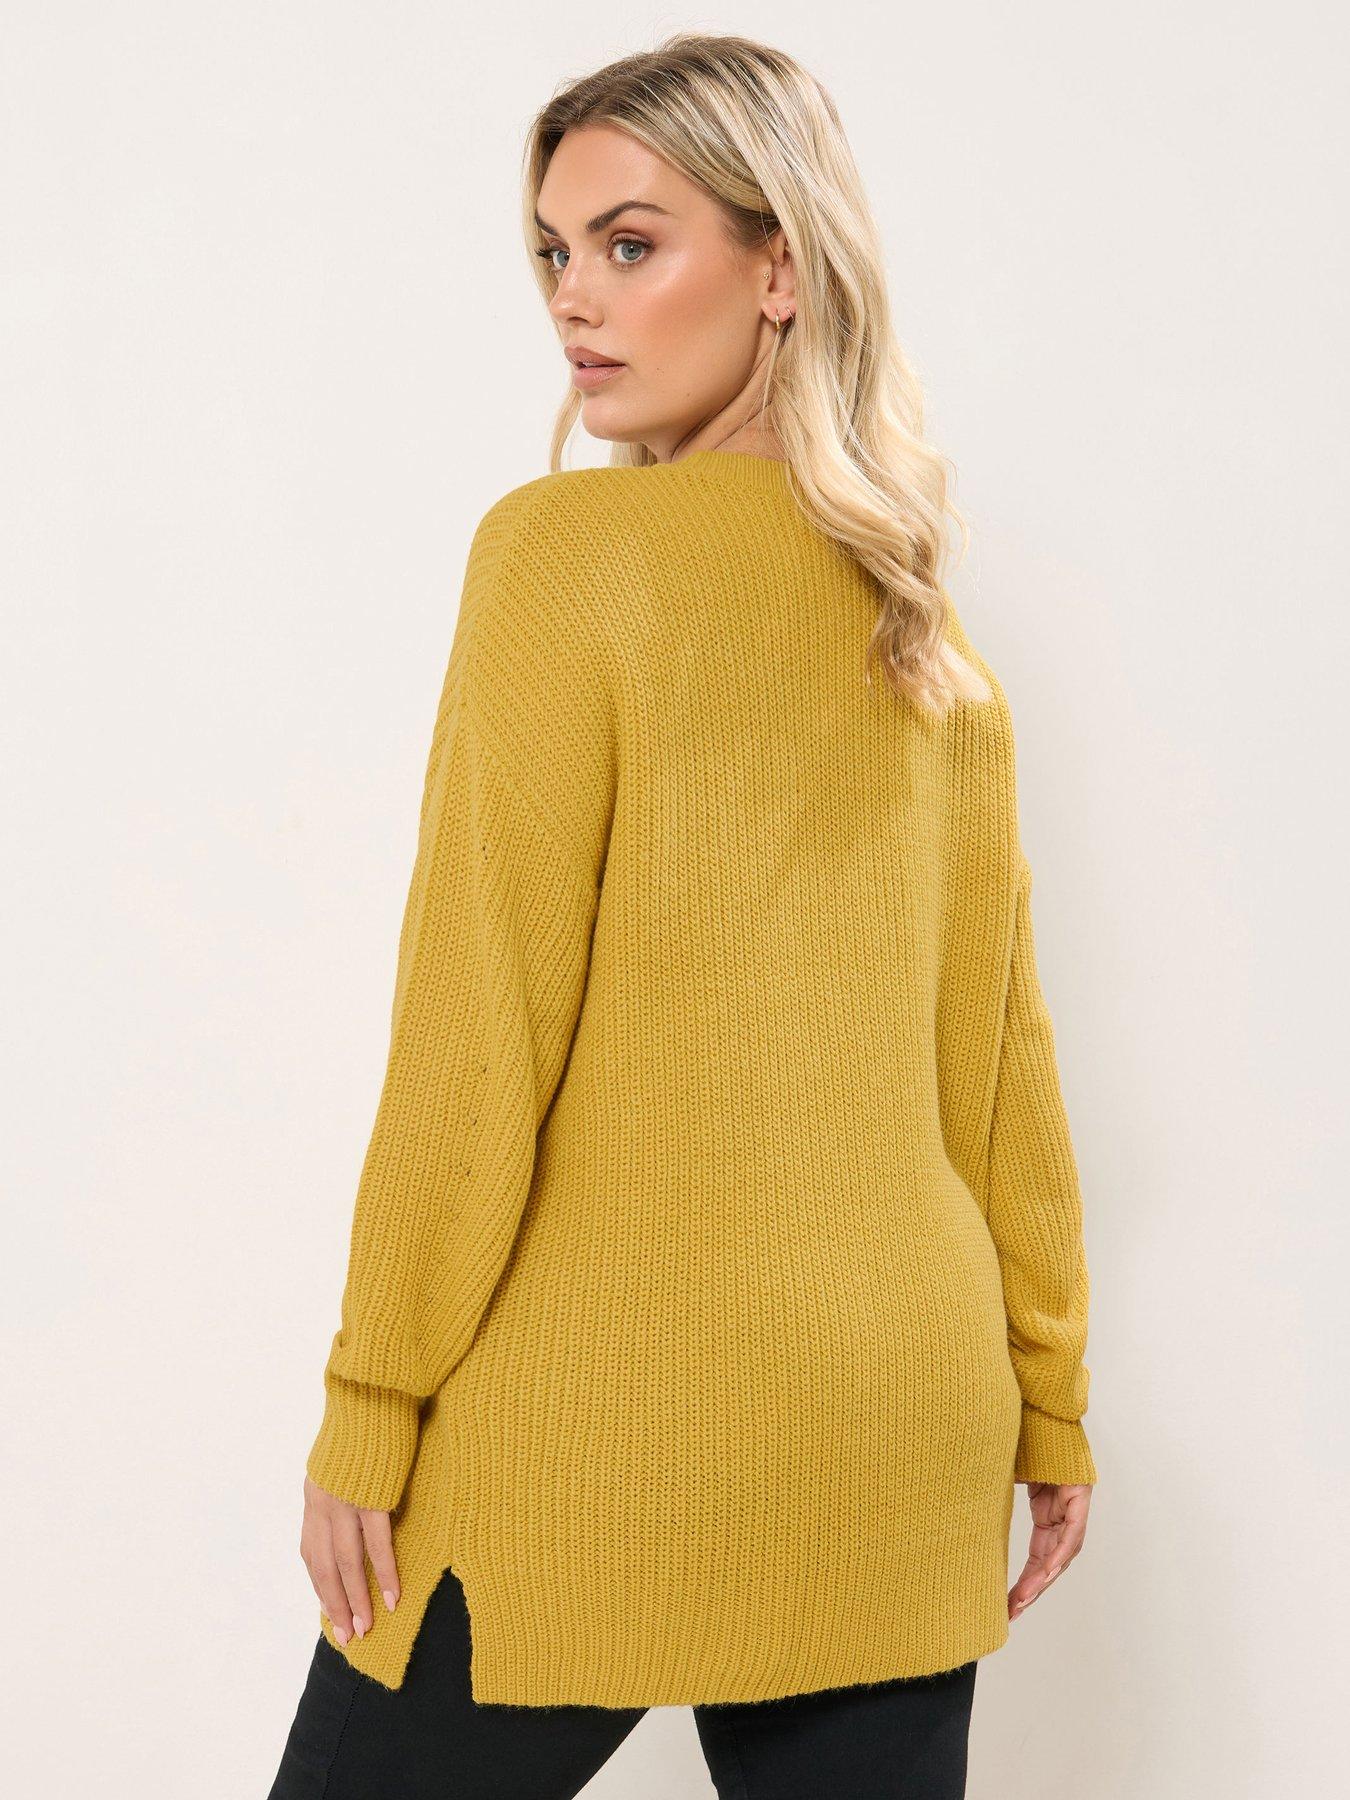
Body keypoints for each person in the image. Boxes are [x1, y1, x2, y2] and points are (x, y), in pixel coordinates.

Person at [267, 31, 1097, 1800]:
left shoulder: (562, 560)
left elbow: (476, 1027)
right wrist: (1046, 1394)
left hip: (598, 1430)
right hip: (900, 1427)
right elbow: (1001, 1069)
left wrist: (372, 1396)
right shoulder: (924, 627)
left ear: (780, 267)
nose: (574, 298)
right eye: (553, 252)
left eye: (631, 245)